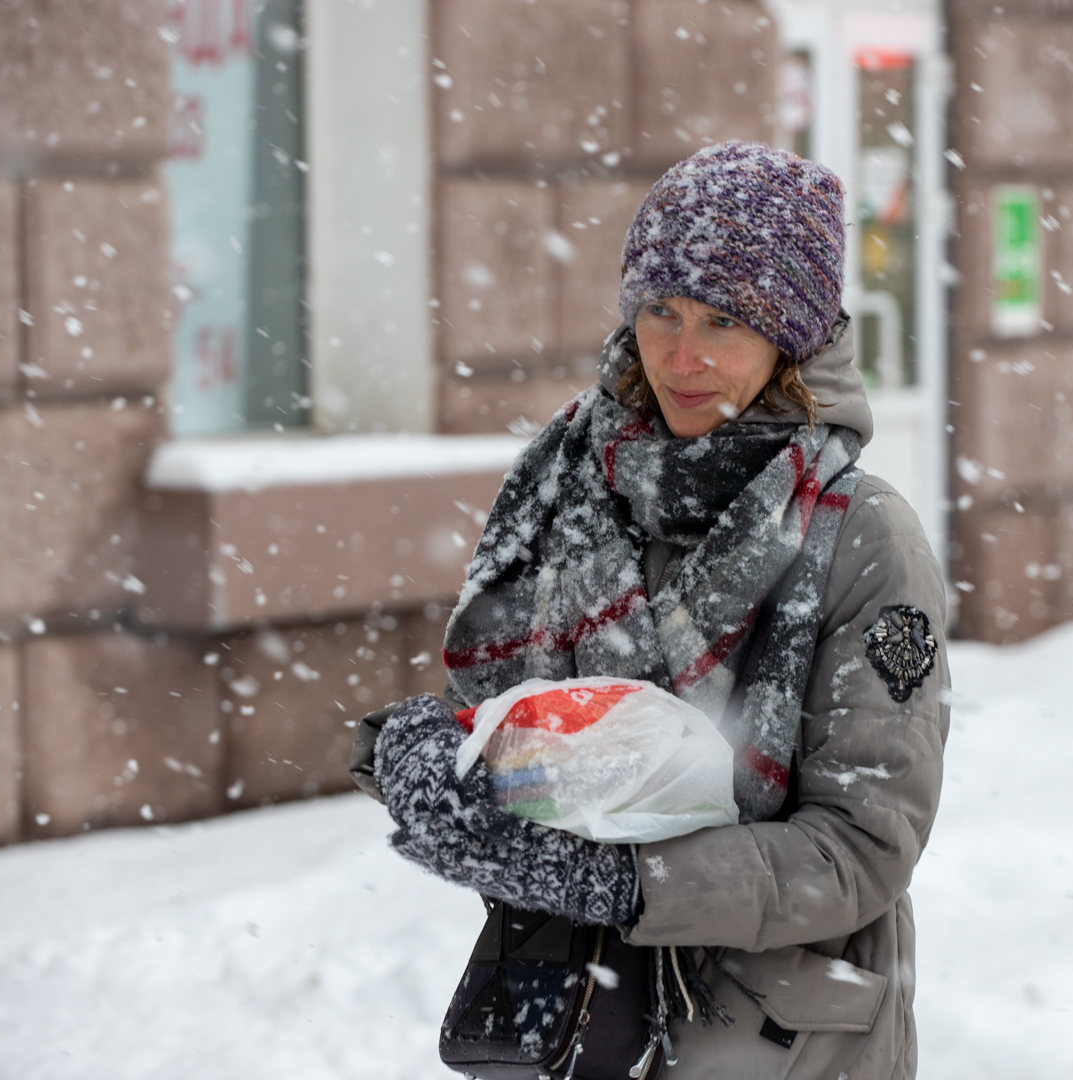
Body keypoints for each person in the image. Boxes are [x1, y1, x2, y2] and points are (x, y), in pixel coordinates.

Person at [352, 141, 949, 1080]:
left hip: (778, 1043)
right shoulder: (575, 485)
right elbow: (523, 729)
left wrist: (624, 882)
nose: (682, 355)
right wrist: (422, 757)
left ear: (791, 337)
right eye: (661, 311)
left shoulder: (863, 538)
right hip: (582, 1025)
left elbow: (858, 853)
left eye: (724, 320)